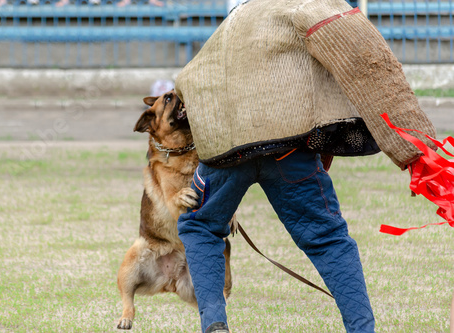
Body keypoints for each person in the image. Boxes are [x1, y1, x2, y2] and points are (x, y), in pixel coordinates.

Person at [174, 0, 437, 332]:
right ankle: (362, 329)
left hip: (226, 151)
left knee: (199, 227)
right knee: (327, 238)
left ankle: (214, 323)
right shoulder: (308, 4)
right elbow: (365, 61)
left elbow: (187, 80)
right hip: (287, 148)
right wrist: (416, 148)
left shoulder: (238, 15)